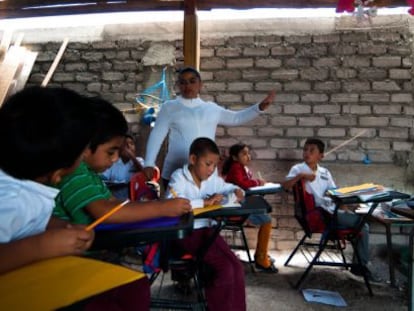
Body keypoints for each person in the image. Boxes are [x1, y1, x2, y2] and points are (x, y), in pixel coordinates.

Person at [0, 86, 150, 311]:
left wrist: (62, 226)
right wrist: (43, 245)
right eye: (81, 153)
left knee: (133, 287)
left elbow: (33, 219)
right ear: (59, 171)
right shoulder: (11, 199)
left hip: (35, 279)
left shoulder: (30, 187)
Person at [53, 96, 191, 227]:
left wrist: (158, 205)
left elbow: (115, 204)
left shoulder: (90, 174)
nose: (115, 158)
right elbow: (105, 212)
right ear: (86, 146)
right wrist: (161, 208)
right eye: (110, 152)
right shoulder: (74, 173)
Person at [143, 66, 276, 188]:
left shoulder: (211, 109)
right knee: (179, 212)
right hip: (175, 171)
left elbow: (236, 118)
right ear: (178, 85)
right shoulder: (169, 107)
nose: (187, 85)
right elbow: (157, 135)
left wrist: (259, 108)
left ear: (200, 85)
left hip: (206, 174)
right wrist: (149, 162)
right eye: (183, 82)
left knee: (205, 210)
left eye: (192, 81)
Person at [166, 137, 246, 311]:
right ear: (193, 160)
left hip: (207, 231)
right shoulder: (178, 177)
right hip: (185, 234)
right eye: (208, 164)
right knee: (224, 269)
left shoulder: (211, 179)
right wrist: (203, 203)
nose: (211, 170)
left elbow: (227, 186)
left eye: (214, 166)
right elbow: (170, 204)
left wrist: (236, 191)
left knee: (237, 267)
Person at [281, 138, 375, 281]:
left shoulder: (325, 172)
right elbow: (286, 186)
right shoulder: (298, 169)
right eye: (305, 149)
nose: (307, 153)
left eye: (312, 150)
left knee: (358, 224)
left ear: (321, 156)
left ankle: (358, 264)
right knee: (363, 226)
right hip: (319, 215)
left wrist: (345, 207)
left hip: (331, 211)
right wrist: (301, 177)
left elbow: (335, 194)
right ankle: (361, 266)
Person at [222, 143, 278, 273]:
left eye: (248, 153)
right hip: (236, 207)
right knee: (266, 221)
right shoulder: (236, 168)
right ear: (235, 157)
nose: (248, 156)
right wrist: (258, 182)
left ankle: (262, 255)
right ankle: (261, 259)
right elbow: (243, 184)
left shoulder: (241, 168)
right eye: (244, 154)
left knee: (266, 220)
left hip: (241, 203)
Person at [101, 133, 145, 199]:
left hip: (134, 197)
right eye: (125, 144)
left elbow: (145, 175)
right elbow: (104, 177)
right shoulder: (114, 162)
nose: (128, 146)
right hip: (116, 196)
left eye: (131, 144)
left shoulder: (139, 160)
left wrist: (131, 156)